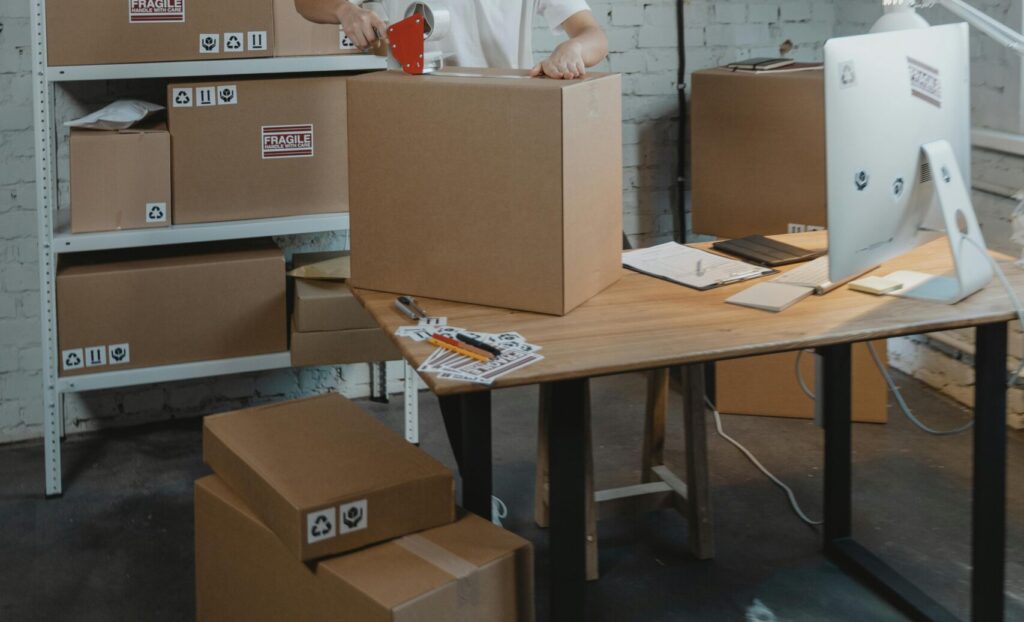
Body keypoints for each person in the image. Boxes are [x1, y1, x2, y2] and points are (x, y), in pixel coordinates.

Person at [294, 0, 608, 79]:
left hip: (504, 115)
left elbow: (592, 34)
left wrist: (573, 48)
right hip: (413, 116)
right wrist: (344, 10)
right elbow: (305, 3)